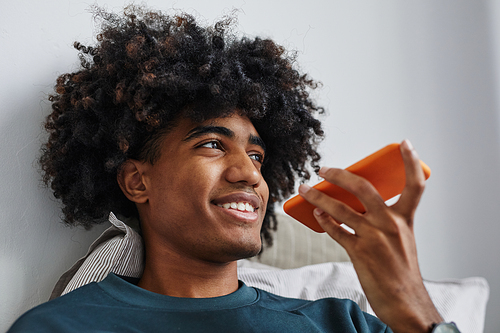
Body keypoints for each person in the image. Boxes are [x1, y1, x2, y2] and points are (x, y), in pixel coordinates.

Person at [8, 5, 456, 332]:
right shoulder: (66, 327)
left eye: (257, 155)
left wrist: (412, 304)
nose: (250, 174)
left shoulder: (341, 322)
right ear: (137, 181)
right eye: (212, 144)